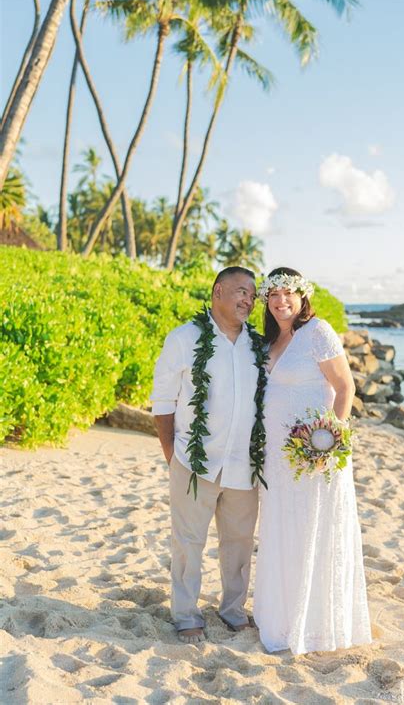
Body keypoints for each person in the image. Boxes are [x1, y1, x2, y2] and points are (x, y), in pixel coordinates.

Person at [253, 267, 372, 655]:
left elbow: (345, 387)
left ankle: (317, 624)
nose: (281, 301)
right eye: (273, 295)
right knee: (283, 527)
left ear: (303, 297)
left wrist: (329, 442)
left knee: (313, 529)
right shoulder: (273, 340)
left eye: (288, 294)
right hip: (277, 457)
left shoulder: (317, 332)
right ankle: (283, 617)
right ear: (266, 301)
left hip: (314, 455)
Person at [150, 267, 267, 644]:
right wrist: (173, 456)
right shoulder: (184, 338)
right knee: (188, 541)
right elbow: (163, 402)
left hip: (243, 466)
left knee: (239, 543)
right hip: (194, 461)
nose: (247, 299)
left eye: (252, 294)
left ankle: (233, 610)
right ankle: (185, 613)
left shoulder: (259, 346)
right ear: (218, 291)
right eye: (239, 290)